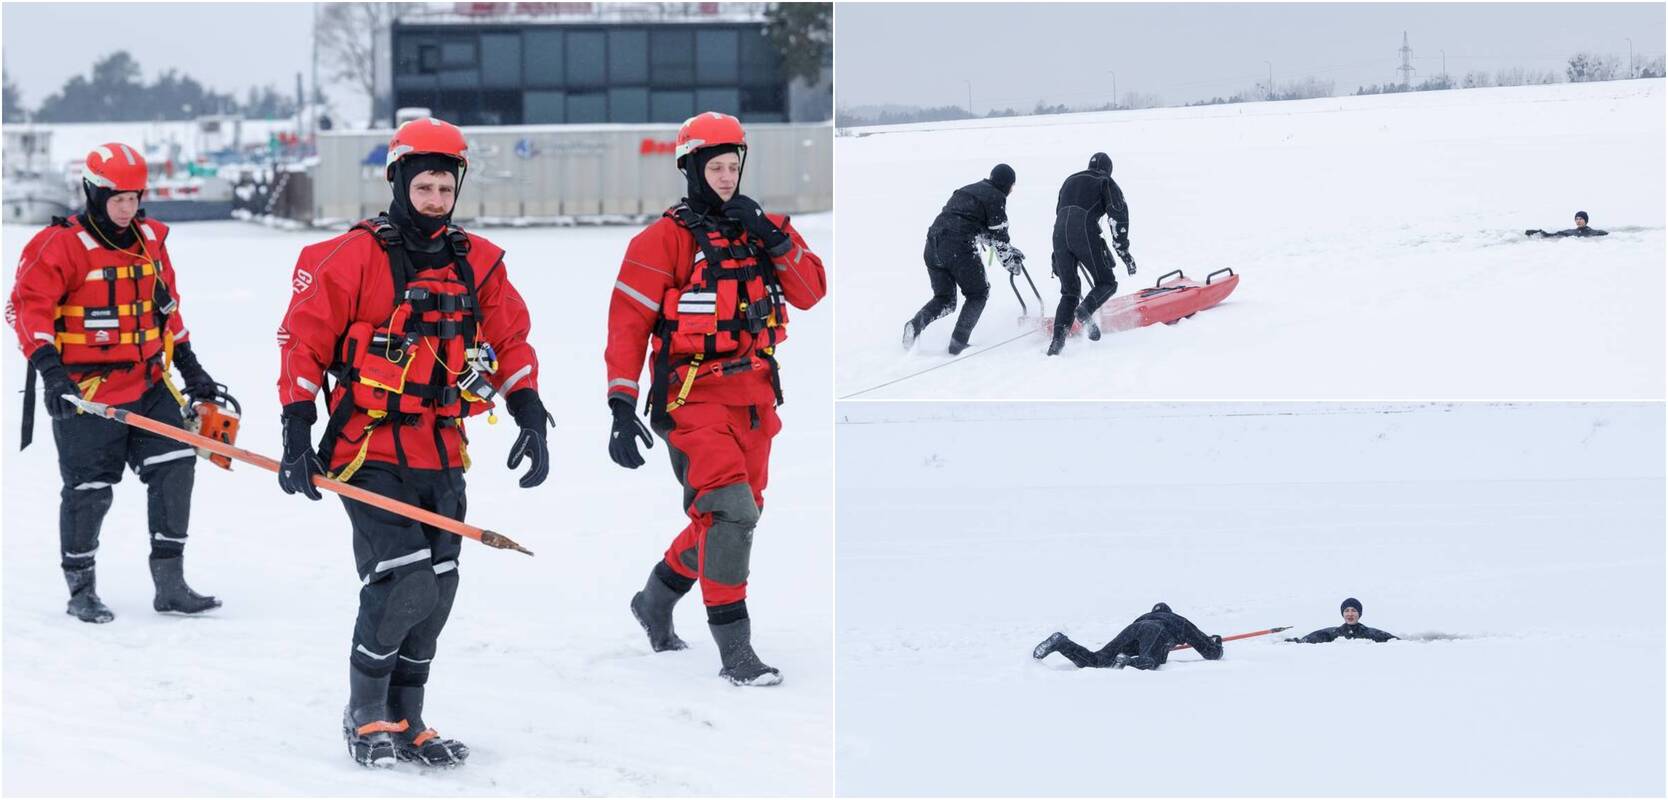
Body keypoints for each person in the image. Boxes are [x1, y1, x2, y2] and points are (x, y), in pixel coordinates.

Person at [275, 117, 550, 768]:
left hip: (442, 449)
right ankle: (365, 712)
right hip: (366, 448)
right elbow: (303, 342)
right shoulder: (349, 256)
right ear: (397, 180)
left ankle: (409, 716)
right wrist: (295, 427)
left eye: (444, 188)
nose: (434, 199)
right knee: (404, 581)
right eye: (422, 186)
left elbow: (511, 340)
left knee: (441, 586)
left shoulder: (478, 262)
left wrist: (529, 410)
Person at [605, 111, 827, 687]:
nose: (726, 177)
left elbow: (811, 293)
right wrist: (621, 404)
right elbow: (627, 328)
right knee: (732, 512)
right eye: (715, 167)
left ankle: (654, 600)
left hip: (756, 399)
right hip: (691, 398)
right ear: (690, 167)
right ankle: (737, 653)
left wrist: (773, 236)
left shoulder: (767, 227)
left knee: (729, 518)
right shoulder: (660, 241)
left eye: (734, 167)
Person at [8, 142, 224, 624]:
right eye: (117, 198)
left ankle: (170, 587)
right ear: (92, 192)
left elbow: (167, 310)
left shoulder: (150, 241)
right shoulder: (57, 246)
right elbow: (28, 310)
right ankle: (81, 590)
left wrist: (192, 368)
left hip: (149, 383)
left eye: (135, 197)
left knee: (175, 466)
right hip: (85, 393)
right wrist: (51, 372)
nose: (128, 208)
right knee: (89, 491)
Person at [904, 164, 1024, 355]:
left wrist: (1008, 249)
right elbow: (999, 238)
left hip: (932, 244)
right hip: (958, 247)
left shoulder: (968, 189)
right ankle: (958, 342)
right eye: (1012, 186)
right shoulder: (996, 197)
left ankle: (915, 324)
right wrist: (1011, 263)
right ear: (1006, 184)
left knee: (945, 299)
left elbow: (971, 223)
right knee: (978, 293)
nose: (1011, 190)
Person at [1046, 152, 1134, 356]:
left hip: (1058, 236)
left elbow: (1060, 214)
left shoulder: (1069, 180)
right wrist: (1124, 251)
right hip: (1084, 230)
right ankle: (1086, 310)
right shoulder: (1105, 181)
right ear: (1109, 169)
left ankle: (1056, 344)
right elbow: (1118, 217)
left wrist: (1056, 255)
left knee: (1069, 292)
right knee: (1107, 282)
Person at [1031, 602, 1223, 670]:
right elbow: (1210, 653)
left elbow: (1141, 639)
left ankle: (1061, 642)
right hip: (1156, 631)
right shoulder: (1178, 621)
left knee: (1098, 660)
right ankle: (1127, 662)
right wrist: (1215, 643)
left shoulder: (1144, 617)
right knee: (1149, 662)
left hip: (1133, 629)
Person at [1285, 597, 1398, 643]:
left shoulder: (1371, 633)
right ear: (1342, 613)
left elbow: (1397, 642)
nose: (1350, 614)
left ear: (1359, 614)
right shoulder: (1332, 633)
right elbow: (1306, 641)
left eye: (1353, 610)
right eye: (1346, 610)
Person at [1526, 210, 1609, 238]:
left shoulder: (1594, 232)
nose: (1578, 221)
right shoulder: (1570, 231)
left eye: (1581, 219)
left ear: (1586, 220)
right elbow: (1552, 235)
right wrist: (1539, 232)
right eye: (1576, 219)